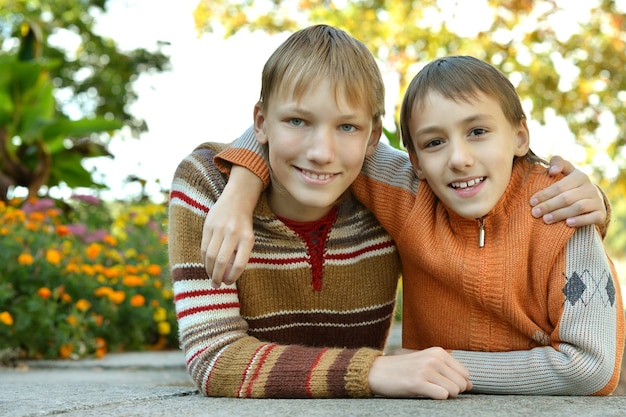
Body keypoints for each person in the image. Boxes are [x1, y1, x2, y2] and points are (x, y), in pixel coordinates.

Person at [204, 56, 622, 395]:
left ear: (519, 136)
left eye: (478, 131)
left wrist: (437, 366)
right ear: (416, 160)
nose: (458, 158)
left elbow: (591, 367)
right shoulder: (409, 192)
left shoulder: (563, 214)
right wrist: (241, 190)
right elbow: (290, 124)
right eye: (434, 141)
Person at [169, 24, 472, 400]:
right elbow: (214, 360)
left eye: (347, 126)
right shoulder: (208, 186)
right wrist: (371, 370)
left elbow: (480, 177)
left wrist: (560, 184)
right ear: (260, 122)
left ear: (373, 137)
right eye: (298, 121)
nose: (321, 152)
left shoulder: (390, 192)